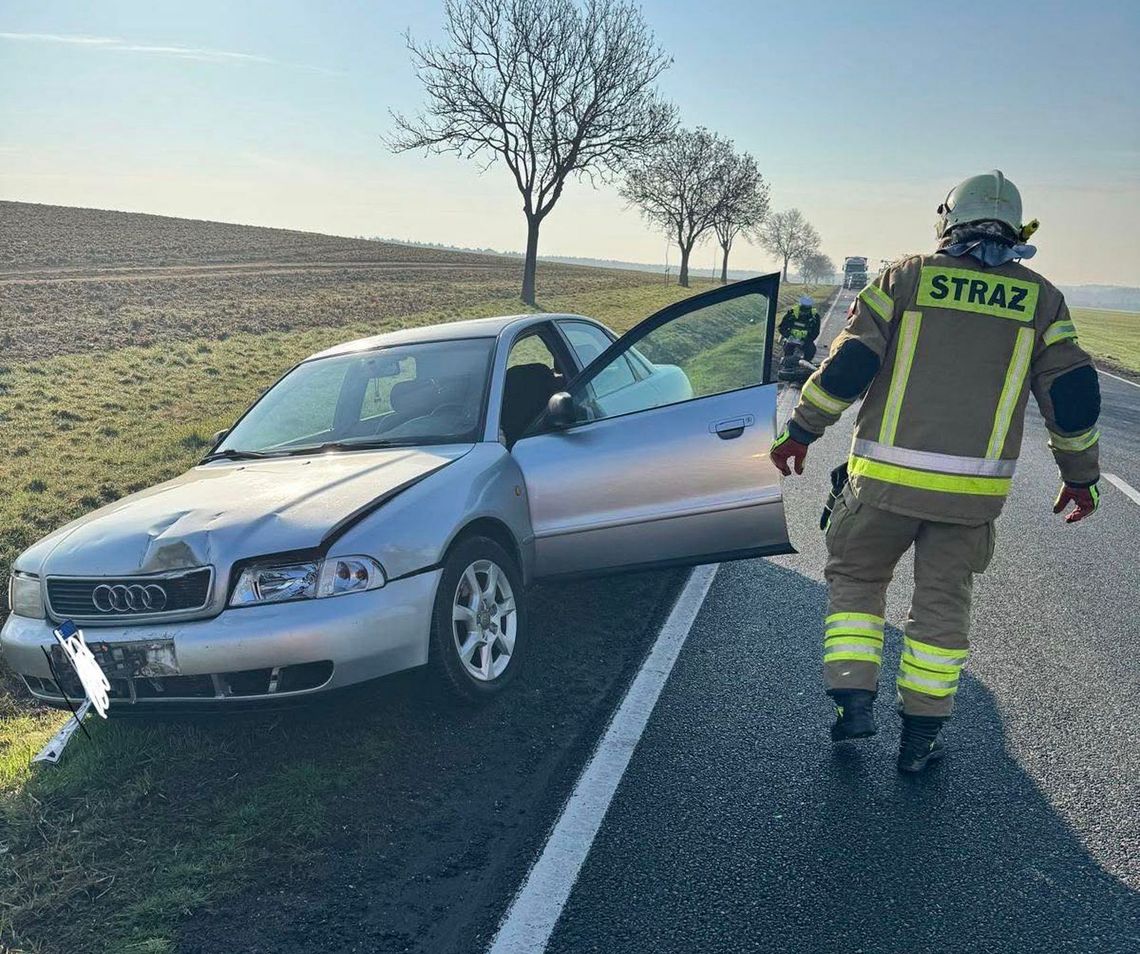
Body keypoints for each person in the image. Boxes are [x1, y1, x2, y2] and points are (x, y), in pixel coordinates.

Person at [769, 170, 1102, 773]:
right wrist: (1079, 476)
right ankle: (920, 739)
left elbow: (851, 364)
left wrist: (801, 430)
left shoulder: (906, 277)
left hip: (882, 485)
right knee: (942, 605)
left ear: (949, 219)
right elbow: (1072, 394)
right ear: (1015, 229)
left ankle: (852, 703)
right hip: (971, 499)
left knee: (857, 582)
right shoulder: (1043, 299)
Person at [779, 295, 822, 362]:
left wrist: (806, 341)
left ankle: (806, 363)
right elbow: (782, 327)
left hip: (805, 341)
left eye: (807, 310)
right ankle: (787, 364)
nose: (804, 312)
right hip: (790, 339)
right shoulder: (791, 314)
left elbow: (816, 332)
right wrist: (788, 336)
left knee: (811, 350)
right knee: (787, 350)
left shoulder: (815, 316)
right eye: (803, 309)